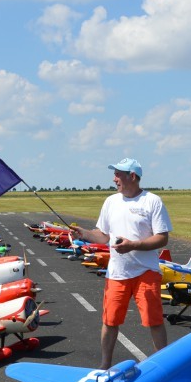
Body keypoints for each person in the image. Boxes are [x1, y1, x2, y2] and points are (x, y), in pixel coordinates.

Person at [71, 157, 172, 369]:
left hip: (146, 271)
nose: (114, 178)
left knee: (154, 321)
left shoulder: (152, 201)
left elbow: (162, 238)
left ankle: (165, 367)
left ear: (132, 176)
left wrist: (133, 245)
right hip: (117, 272)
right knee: (110, 321)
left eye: (118, 174)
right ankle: (104, 365)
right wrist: (86, 233)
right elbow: (103, 236)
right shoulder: (111, 201)